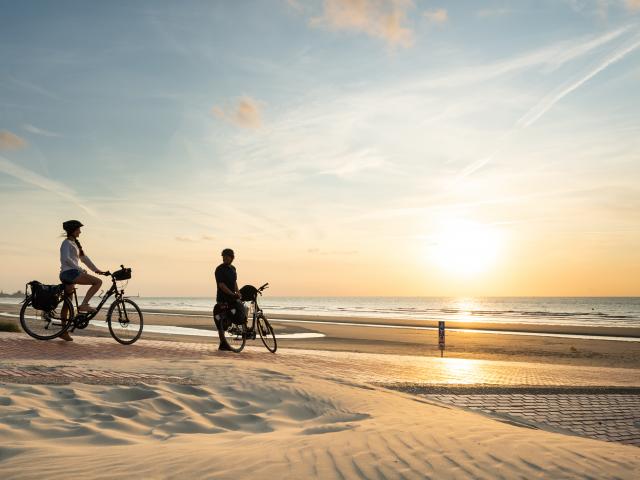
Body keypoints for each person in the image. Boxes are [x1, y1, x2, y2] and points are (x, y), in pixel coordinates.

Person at [58, 220, 107, 341]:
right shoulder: (66, 243)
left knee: (67, 303)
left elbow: (84, 258)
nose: (80, 231)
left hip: (70, 273)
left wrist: (96, 270)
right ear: (73, 230)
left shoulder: (74, 244)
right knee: (97, 282)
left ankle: (63, 332)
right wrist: (79, 269)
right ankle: (84, 305)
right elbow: (65, 259)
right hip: (69, 273)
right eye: (78, 229)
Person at [214, 248, 247, 351]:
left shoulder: (233, 268)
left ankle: (241, 328)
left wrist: (238, 292)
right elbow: (221, 285)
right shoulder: (219, 269)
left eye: (227, 256)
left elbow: (234, 282)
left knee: (241, 310)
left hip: (232, 298)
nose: (224, 258)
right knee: (220, 320)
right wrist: (232, 294)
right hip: (222, 298)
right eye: (223, 256)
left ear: (232, 258)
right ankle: (222, 343)